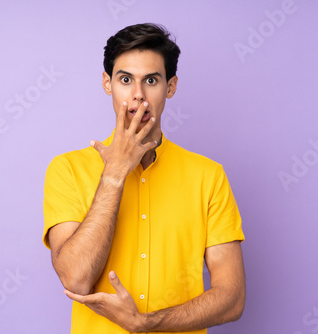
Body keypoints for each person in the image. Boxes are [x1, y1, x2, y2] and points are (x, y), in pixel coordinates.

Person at [42, 23, 246, 333]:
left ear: (171, 86)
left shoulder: (208, 176)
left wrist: (146, 324)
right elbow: (76, 278)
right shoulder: (66, 169)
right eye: (126, 80)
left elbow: (232, 299)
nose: (138, 96)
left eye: (151, 80)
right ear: (107, 83)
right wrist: (114, 172)